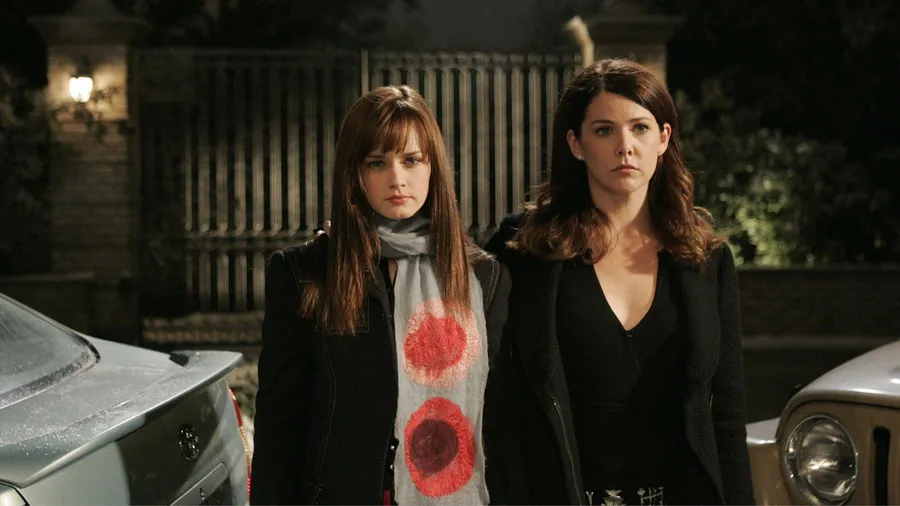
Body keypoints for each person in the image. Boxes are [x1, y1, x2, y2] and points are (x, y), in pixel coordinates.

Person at [483, 59, 754, 505]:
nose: (625, 146)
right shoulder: (526, 250)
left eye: (640, 128)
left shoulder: (705, 258)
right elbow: (495, 394)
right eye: (604, 130)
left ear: (663, 138)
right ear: (576, 144)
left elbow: (727, 412)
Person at [250, 85, 510, 505]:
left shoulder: (482, 276)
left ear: (433, 167)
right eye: (377, 162)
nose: (397, 179)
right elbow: (280, 424)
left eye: (411, 160)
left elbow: (499, 420)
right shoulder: (305, 272)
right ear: (354, 173)